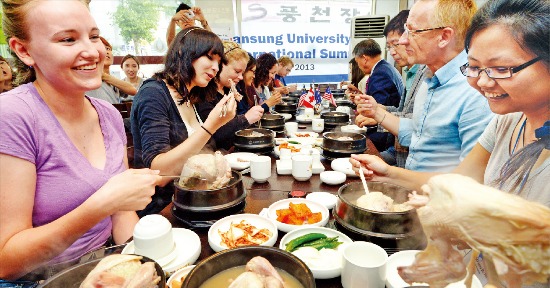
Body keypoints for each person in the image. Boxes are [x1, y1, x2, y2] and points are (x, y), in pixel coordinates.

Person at [353, 1, 549, 286]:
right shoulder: (506, 121)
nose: (481, 82)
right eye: (473, 67)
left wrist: (472, 221)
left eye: (501, 68)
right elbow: (458, 182)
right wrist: (390, 173)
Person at [0, 0, 161, 282]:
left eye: (94, 36)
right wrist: (100, 205)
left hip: (105, 265)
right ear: (23, 50)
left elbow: (122, 217)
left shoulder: (108, 115)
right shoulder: (13, 115)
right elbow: (7, 262)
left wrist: (148, 262)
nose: (93, 52)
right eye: (68, 39)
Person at [355, 0, 494, 172]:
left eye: (413, 31)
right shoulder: (429, 77)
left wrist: (389, 174)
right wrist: (377, 112)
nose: (404, 41)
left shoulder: (474, 90)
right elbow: (419, 133)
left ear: (444, 37)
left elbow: (468, 183)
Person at [131, 27, 237, 217]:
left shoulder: (189, 95)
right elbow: (159, 173)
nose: (215, 67)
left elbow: (200, 152)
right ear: (183, 51)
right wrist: (211, 126)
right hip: (162, 209)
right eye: (210, 58)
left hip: (195, 198)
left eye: (219, 62)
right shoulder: (153, 93)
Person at [356, 10, 428, 168]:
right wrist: (379, 109)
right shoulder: (411, 71)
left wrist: (379, 115)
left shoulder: (427, 74)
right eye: (389, 47)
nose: (393, 51)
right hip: (399, 152)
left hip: (408, 159)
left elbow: (421, 126)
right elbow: (404, 111)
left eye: (396, 44)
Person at [195, 41, 264, 151]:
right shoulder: (203, 94)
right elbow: (213, 134)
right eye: (237, 71)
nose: (241, 77)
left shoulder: (229, 91)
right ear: (220, 65)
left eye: (242, 73)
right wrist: (246, 119)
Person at [352, 38, 405, 151]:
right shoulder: (386, 67)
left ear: (365, 58)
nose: (359, 66)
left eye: (357, 62)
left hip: (384, 135)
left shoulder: (379, 74)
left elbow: (377, 108)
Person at [87, 37, 137, 103]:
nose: (106, 52)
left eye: (108, 49)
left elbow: (133, 90)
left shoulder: (113, 81)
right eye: (101, 48)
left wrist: (104, 76)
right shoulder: (89, 77)